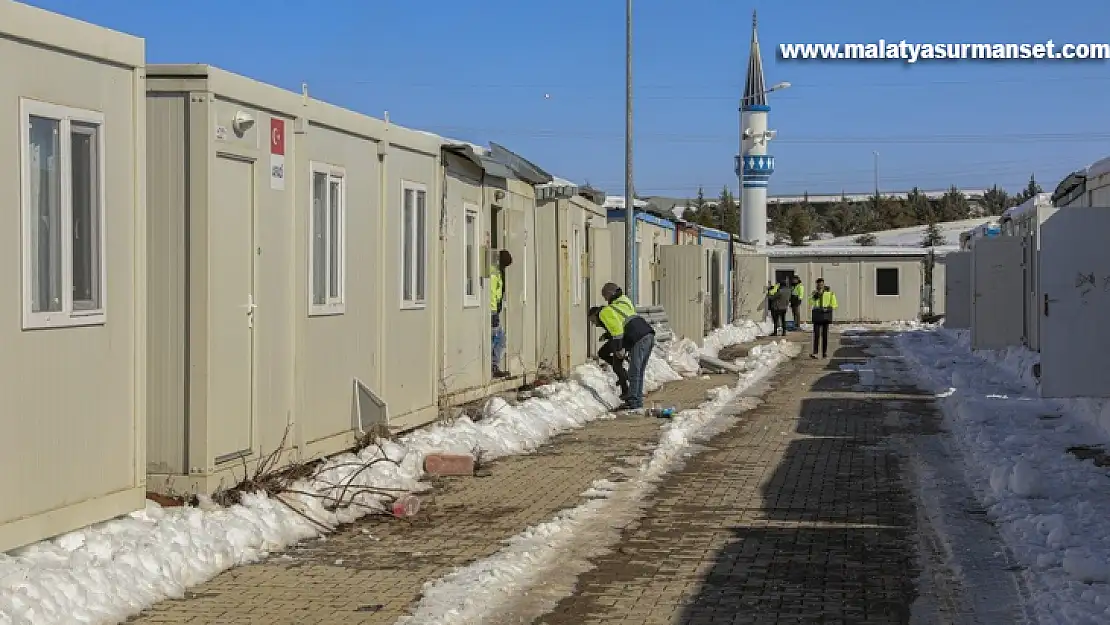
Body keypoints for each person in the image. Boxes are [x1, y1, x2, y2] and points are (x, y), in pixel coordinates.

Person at [597, 282, 655, 411]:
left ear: (609, 294)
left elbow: (617, 332)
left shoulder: (606, 311)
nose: (605, 299)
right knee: (639, 371)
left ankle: (633, 402)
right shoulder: (624, 300)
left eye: (605, 296)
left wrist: (618, 350)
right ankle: (636, 400)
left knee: (634, 371)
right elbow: (624, 320)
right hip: (647, 333)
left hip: (638, 337)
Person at [589, 305, 630, 401]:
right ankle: (624, 378)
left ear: (595, 315)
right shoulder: (604, 314)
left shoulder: (603, 314)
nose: (594, 324)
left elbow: (617, 329)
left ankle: (626, 391)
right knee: (604, 354)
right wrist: (606, 335)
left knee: (616, 365)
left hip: (619, 340)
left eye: (593, 321)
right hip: (617, 339)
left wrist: (619, 348)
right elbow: (613, 328)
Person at [490, 249, 513, 378]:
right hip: (492, 312)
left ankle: (493, 365)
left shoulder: (497, 272)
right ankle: (493, 366)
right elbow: (492, 294)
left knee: (497, 339)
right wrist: (493, 311)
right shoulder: (494, 273)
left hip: (494, 311)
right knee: (498, 339)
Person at [809, 277, 838, 359]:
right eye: (818, 285)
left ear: (823, 284)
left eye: (821, 284)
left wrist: (828, 308)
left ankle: (824, 352)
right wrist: (815, 296)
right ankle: (815, 352)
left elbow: (834, 304)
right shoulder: (814, 293)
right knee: (816, 335)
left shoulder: (830, 293)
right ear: (816, 285)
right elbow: (810, 302)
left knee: (825, 335)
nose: (820, 286)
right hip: (817, 315)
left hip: (825, 315)